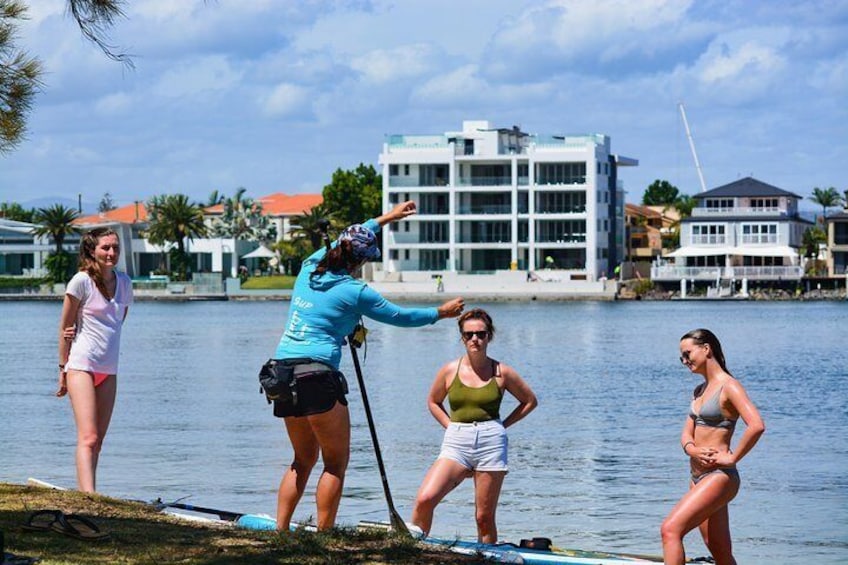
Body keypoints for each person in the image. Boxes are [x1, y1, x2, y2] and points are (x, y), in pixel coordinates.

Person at [272, 200, 465, 532]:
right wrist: (440, 313)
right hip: (316, 374)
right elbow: (400, 317)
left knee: (302, 459)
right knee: (334, 463)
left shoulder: (309, 267)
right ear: (360, 260)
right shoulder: (355, 291)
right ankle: (325, 535)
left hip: (281, 371)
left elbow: (352, 234)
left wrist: (388, 217)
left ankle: (280, 531)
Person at [411, 308, 537, 543]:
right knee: (424, 499)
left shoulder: (502, 372)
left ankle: (488, 557)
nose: (475, 339)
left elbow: (529, 401)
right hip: (456, 441)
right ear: (462, 338)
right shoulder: (450, 370)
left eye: (480, 334)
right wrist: (449, 425)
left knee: (483, 517)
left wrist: (502, 426)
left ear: (490, 336)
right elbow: (433, 401)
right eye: (468, 335)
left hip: (491, 442)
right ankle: (412, 549)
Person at [661, 329, 765, 565]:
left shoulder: (729, 386)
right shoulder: (699, 390)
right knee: (719, 549)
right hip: (697, 476)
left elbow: (756, 425)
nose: (685, 361)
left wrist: (733, 457)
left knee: (670, 530)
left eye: (688, 354)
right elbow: (687, 432)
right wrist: (692, 449)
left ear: (706, 349)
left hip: (719, 477)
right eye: (682, 358)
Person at [57, 227, 133, 493]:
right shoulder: (81, 282)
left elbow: (117, 323)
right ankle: (88, 497)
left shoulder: (124, 283)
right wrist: (62, 369)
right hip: (81, 366)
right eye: (105, 248)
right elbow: (65, 327)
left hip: (109, 369)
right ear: (92, 250)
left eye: (115, 248)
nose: (111, 253)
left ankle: (89, 491)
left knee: (98, 441)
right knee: (87, 437)